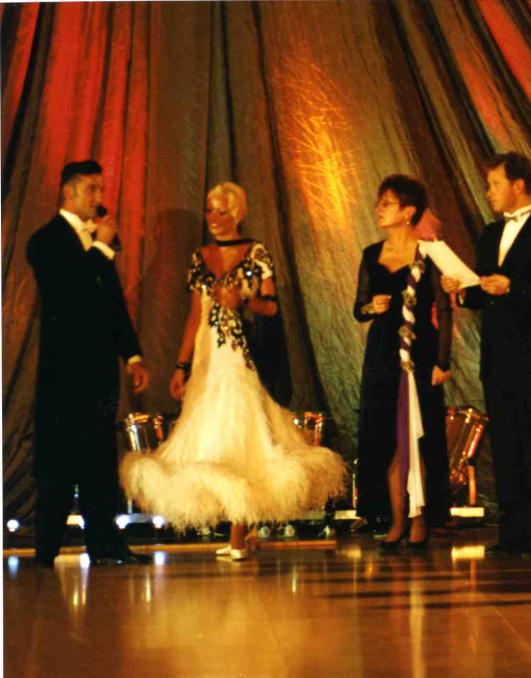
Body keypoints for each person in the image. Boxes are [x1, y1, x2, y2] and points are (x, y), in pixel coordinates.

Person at [120, 182, 346, 560]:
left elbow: (270, 306)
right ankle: (244, 527)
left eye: (222, 211)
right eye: (210, 210)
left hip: (244, 358)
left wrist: (242, 299)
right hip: (209, 360)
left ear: (238, 214)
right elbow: (196, 315)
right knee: (212, 440)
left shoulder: (255, 252)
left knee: (243, 441)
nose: (214, 218)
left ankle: (241, 533)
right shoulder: (200, 257)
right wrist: (181, 365)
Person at [442, 153, 531, 555]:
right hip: (498, 357)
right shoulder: (489, 234)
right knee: (505, 446)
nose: (489, 192)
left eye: (495, 184)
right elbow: (483, 293)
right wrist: (462, 290)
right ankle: (512, 531)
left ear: (518, 185)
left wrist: (513, 287)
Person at [27, 160, 152, 567]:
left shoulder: (98, 242)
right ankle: (46, 549)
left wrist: (132, 355)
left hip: (99, 373)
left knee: (99, 460)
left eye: (101, 189)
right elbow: (70, 293)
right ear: (69, 192)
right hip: (64, 373)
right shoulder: (45, 240)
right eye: (91, 190)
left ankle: (104, 544)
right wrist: (100, 247)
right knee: (58, 463)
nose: (99, 198)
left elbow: (112, 304)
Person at [353, 175, 452, 550]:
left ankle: (420, 517)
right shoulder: (371, 254)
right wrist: (371, 307)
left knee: (418, 437)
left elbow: (444, 308)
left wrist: (442, 360)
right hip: (382, 355)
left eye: (387, 203)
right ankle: (396, 518)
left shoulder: (430, 253)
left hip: (419, 354)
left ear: (409, 211)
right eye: (379, 202)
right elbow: (358, 308)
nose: (378, 209)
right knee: (387, 438)